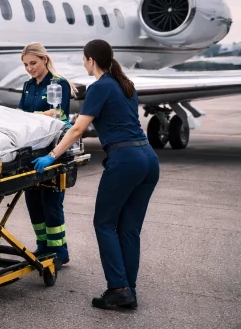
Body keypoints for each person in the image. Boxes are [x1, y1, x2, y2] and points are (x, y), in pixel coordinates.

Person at [32, 39, 159, 310]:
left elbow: (78, 131)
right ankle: (129, 290)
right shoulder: (125, 85)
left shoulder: (99, 86)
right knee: (129, 229)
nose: (83, 62)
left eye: (83, 58)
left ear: (90, 60)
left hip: (125, 160)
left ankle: (117, 288)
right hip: (148, 158)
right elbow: (108, 120)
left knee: (104, 223)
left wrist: (51, 156)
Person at [17, 43, 75, 270]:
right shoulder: (27, 85)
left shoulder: (57, 83)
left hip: (53, 149)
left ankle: (59, 251)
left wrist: (34, 115)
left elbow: (59, 113)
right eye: (26, 65)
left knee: (51, 203)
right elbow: (21, 112)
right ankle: (43, 247)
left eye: (33, 63)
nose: (29, 68)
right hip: (31, 149)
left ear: (44, 60)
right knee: (33, 202)